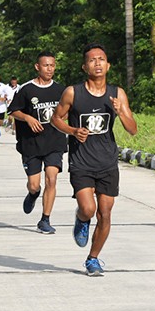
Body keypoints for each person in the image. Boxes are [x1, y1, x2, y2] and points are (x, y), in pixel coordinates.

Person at [51, 43, 138, 276]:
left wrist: (120, 113)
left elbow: (133, 129)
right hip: (81, 162)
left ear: (108, 65)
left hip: (107, 162)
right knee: (89, 209)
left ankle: (93, 259)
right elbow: (55, 119)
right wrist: (72, 131)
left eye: (101, 59)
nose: (97, 63)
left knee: (106, 213)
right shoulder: (73, 92)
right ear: (84, 66)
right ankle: (81, 219)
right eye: (92, 60)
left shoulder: (117, 93)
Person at [7, 53, 67, 234]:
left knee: (52, 179)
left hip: (54, 142)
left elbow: (67, 112)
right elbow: (12, 111)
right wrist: (27, 118)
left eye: (53, 65)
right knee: (34, 184)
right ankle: (33, 194)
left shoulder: (61, 90)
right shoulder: (26, 89)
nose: (50, 69)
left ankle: (45, 219)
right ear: (37, 67)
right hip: (31, 144)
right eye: (46, 65)